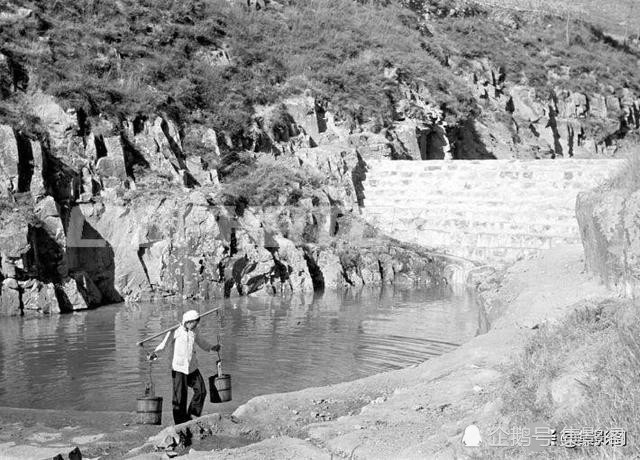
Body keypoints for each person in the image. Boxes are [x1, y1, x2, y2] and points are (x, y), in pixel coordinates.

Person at [149, 310, 220, 425]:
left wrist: (212, 347)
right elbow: (164, 344)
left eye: (197, 323)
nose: (196, 325)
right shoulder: (175, 331)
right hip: (178, 368)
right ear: (187, 322)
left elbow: (201, 342)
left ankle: (192, 414)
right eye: (194, 323)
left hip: (192, 367)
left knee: (201, 391)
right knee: (179, 397)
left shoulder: (194, 331)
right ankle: (180, 422)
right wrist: (155, 353)